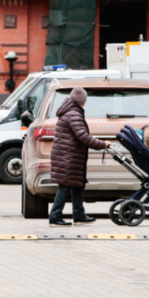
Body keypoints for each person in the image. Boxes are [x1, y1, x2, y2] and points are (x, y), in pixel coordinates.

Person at [49, 85, 110, 227]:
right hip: (68, 157)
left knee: (77, 185)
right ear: (83, 100)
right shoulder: (74, 114)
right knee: (65, 186)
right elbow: (83, 137)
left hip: (69, 155)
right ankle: (55, 216)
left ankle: (79, 215)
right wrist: (103, 144)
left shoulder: (71, 111)